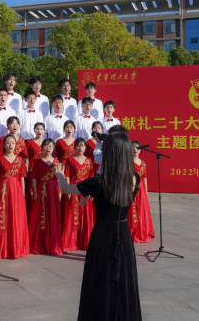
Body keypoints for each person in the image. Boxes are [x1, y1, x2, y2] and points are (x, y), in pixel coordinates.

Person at [55, 132, 142, 320]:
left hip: (102, 237)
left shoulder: (98, 182)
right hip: (123, 235)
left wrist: (60, 175)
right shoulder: (134, 178)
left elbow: (65, 188)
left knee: (99, 283)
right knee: (123, 283)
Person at [0, 135, 29, 259]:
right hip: (3, 189)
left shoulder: (19, 159)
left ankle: (16, 247)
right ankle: (3, 248)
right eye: (8, 143)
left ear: (16, 145)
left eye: (12, 143)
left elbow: (22, 178)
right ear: (4, 145)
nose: (10, 145)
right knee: (4, 217)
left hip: (16, 190)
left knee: (16, 217)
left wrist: (22, 194)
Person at [28, 138, 63, 256]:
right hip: (42, 189)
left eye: (50, 146)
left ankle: (53, 244)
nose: (48, 148)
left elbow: (60, 179)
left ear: (53, 148)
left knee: (53, 215)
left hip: (54, 190)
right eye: (46, 146)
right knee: (40, 215)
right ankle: (40, 243)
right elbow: (34, 178)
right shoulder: (37, 162)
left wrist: (60, 192)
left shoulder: (57, 162)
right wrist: (35, 193)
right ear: (42, 147)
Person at [62, 138, 95, 251]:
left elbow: (91, 177)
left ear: (85, 147)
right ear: (74, 147)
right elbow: (67, 176)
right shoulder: (70, 160)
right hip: (74, 188)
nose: (80, 148)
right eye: (78, 145)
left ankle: (86, 242)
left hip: (86, 189)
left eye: (83, 146)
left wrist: (91, 192)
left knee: (86, 215)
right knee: (72, 214)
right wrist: (68, 191)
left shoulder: (89, 161)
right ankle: (71, 242)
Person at [128, 141, 155, 243]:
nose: (135, 150)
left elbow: (144, 176)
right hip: (132, 188)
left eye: (137, 148)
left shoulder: (143, 163)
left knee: (142, 210)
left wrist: (146, 190)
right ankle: (133, 231)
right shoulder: (128, 162)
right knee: (133, 210)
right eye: (133, 147)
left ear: (140, 150)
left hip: (142, 189)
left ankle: (143, 231)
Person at [25, 122, 46, 215]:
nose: (39, 131)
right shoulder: (29, 142)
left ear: (44, 131)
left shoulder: (46, 142)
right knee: (32, 191)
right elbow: (27, 158)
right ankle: (32, 214)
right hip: (32, 169)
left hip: (43, 169)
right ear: (34, 130)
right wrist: (26, 170)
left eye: (41, 129)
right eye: (37, 129)